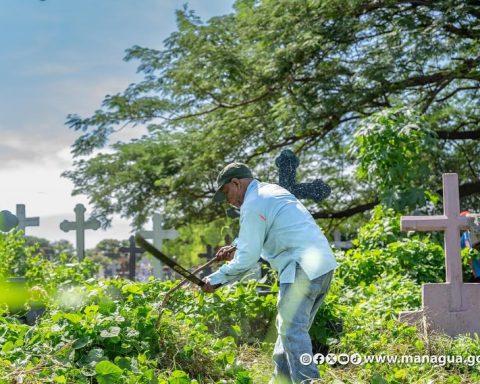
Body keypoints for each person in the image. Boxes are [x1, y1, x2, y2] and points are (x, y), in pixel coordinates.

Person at [202, 162, 337, 383]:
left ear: (236, 182)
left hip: (300, 267)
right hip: (322, 267)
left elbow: (248, 258)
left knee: (291, 331)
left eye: (226, 192)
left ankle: (309, 380)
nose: (228, 200)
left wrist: (216, 280)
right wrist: (236, 245)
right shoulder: (272, 191)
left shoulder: (252, 204)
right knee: (289, 333)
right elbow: (273, 225)